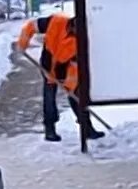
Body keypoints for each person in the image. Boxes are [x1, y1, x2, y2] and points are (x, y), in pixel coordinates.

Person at [16, 12, 104, 142]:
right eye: (75, 30)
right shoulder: (55, 21)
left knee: (76, 96)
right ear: (72, 23)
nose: (76, 33)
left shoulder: (81, 40)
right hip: (47, 65)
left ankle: (87, 128)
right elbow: (30, 26)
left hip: (66, 69)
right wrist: (22, 44)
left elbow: (75, 64)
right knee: (49, 97)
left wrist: (70, 85)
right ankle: (50, 130)